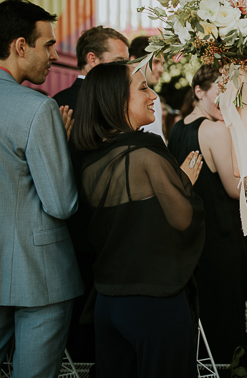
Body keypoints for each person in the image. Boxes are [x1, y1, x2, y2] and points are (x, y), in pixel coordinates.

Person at [73, 61, 205, 378]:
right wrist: (183, 183)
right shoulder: (146, 151)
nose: (153, 95)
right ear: (119, 100)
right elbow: (183, 220)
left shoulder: (91, 163)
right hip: (153, 304)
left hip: (107, 302)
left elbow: (128, 225)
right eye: (143, 87)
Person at [0, 0, 83, 377]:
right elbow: (61, 203)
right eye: (47, 45)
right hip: (39, 276)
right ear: (21, 46)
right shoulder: (37, 108)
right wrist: (62, 149)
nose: (54, 54)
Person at [53, 25, 130, 367]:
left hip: (68, 232)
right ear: (91, 59)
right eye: (118, 62)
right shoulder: (108, 105)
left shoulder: (56, 104)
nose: (125, 70)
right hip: (103, 229)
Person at [167, 65, 247, 362]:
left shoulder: (177, 128)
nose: (225, 100)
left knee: (200, 319)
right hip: (219, 237)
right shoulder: (215, 130)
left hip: (191, 239)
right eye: (220, 90)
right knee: (224, 319)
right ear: (199, 91)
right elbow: (236, 189)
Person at [53, 25, 129, 112]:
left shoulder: (59, 101)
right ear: (93, 59)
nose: (126, 68)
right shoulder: (107, 101)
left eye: (126, 62)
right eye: (119, 61)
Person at [129, 35, 165, 140]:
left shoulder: (154, 97)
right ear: (135, 61)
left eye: (162, 63)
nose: (161, 69)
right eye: (155, 62)